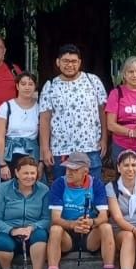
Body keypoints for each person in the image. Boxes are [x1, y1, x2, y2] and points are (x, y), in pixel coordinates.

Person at [42, 152, 111, 269]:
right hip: (67, 233)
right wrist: (73, 225)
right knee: (55, 229)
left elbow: (104, 216)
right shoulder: (59, 184)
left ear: (85, 171)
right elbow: (55, 218)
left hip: (89, 232)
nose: (69, 173)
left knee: (106, 227)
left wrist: (92, 222)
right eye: (68, 169)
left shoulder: (96, 184)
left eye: (74, 170)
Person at [39, 44, 107, 179]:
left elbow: (102, 112)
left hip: (90, 147)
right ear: (58, 62)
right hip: (61, 150)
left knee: (92, 188)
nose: (70, 65)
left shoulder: (93, 81)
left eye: (74, 61)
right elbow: (44, 120)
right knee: (64, 190)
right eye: (65, 61)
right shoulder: (50, 86)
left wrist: (104, 139)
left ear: (80, 62)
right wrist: (45, 150)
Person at [0, 156, 50, 269]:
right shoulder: (4, 188)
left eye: (32, 173)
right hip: (10, 230)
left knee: (41, 236)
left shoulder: (44, 190)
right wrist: (12, 230)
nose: (29, 177)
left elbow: (47, 219)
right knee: (1, 243)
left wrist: (32, 227)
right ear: (17, 173)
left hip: (32, 231)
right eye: (25, 173)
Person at [0, 73, 41, 182]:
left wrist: (41, 162)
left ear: (35, 87)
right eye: (23, 84)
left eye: (30, 84)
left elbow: (43, 136)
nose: (27, 87)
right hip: (10, 155)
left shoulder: (40, 108)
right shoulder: (6, 107)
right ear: (17, 86)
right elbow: (0, 137)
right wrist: (2, 163)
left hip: (32, 154)